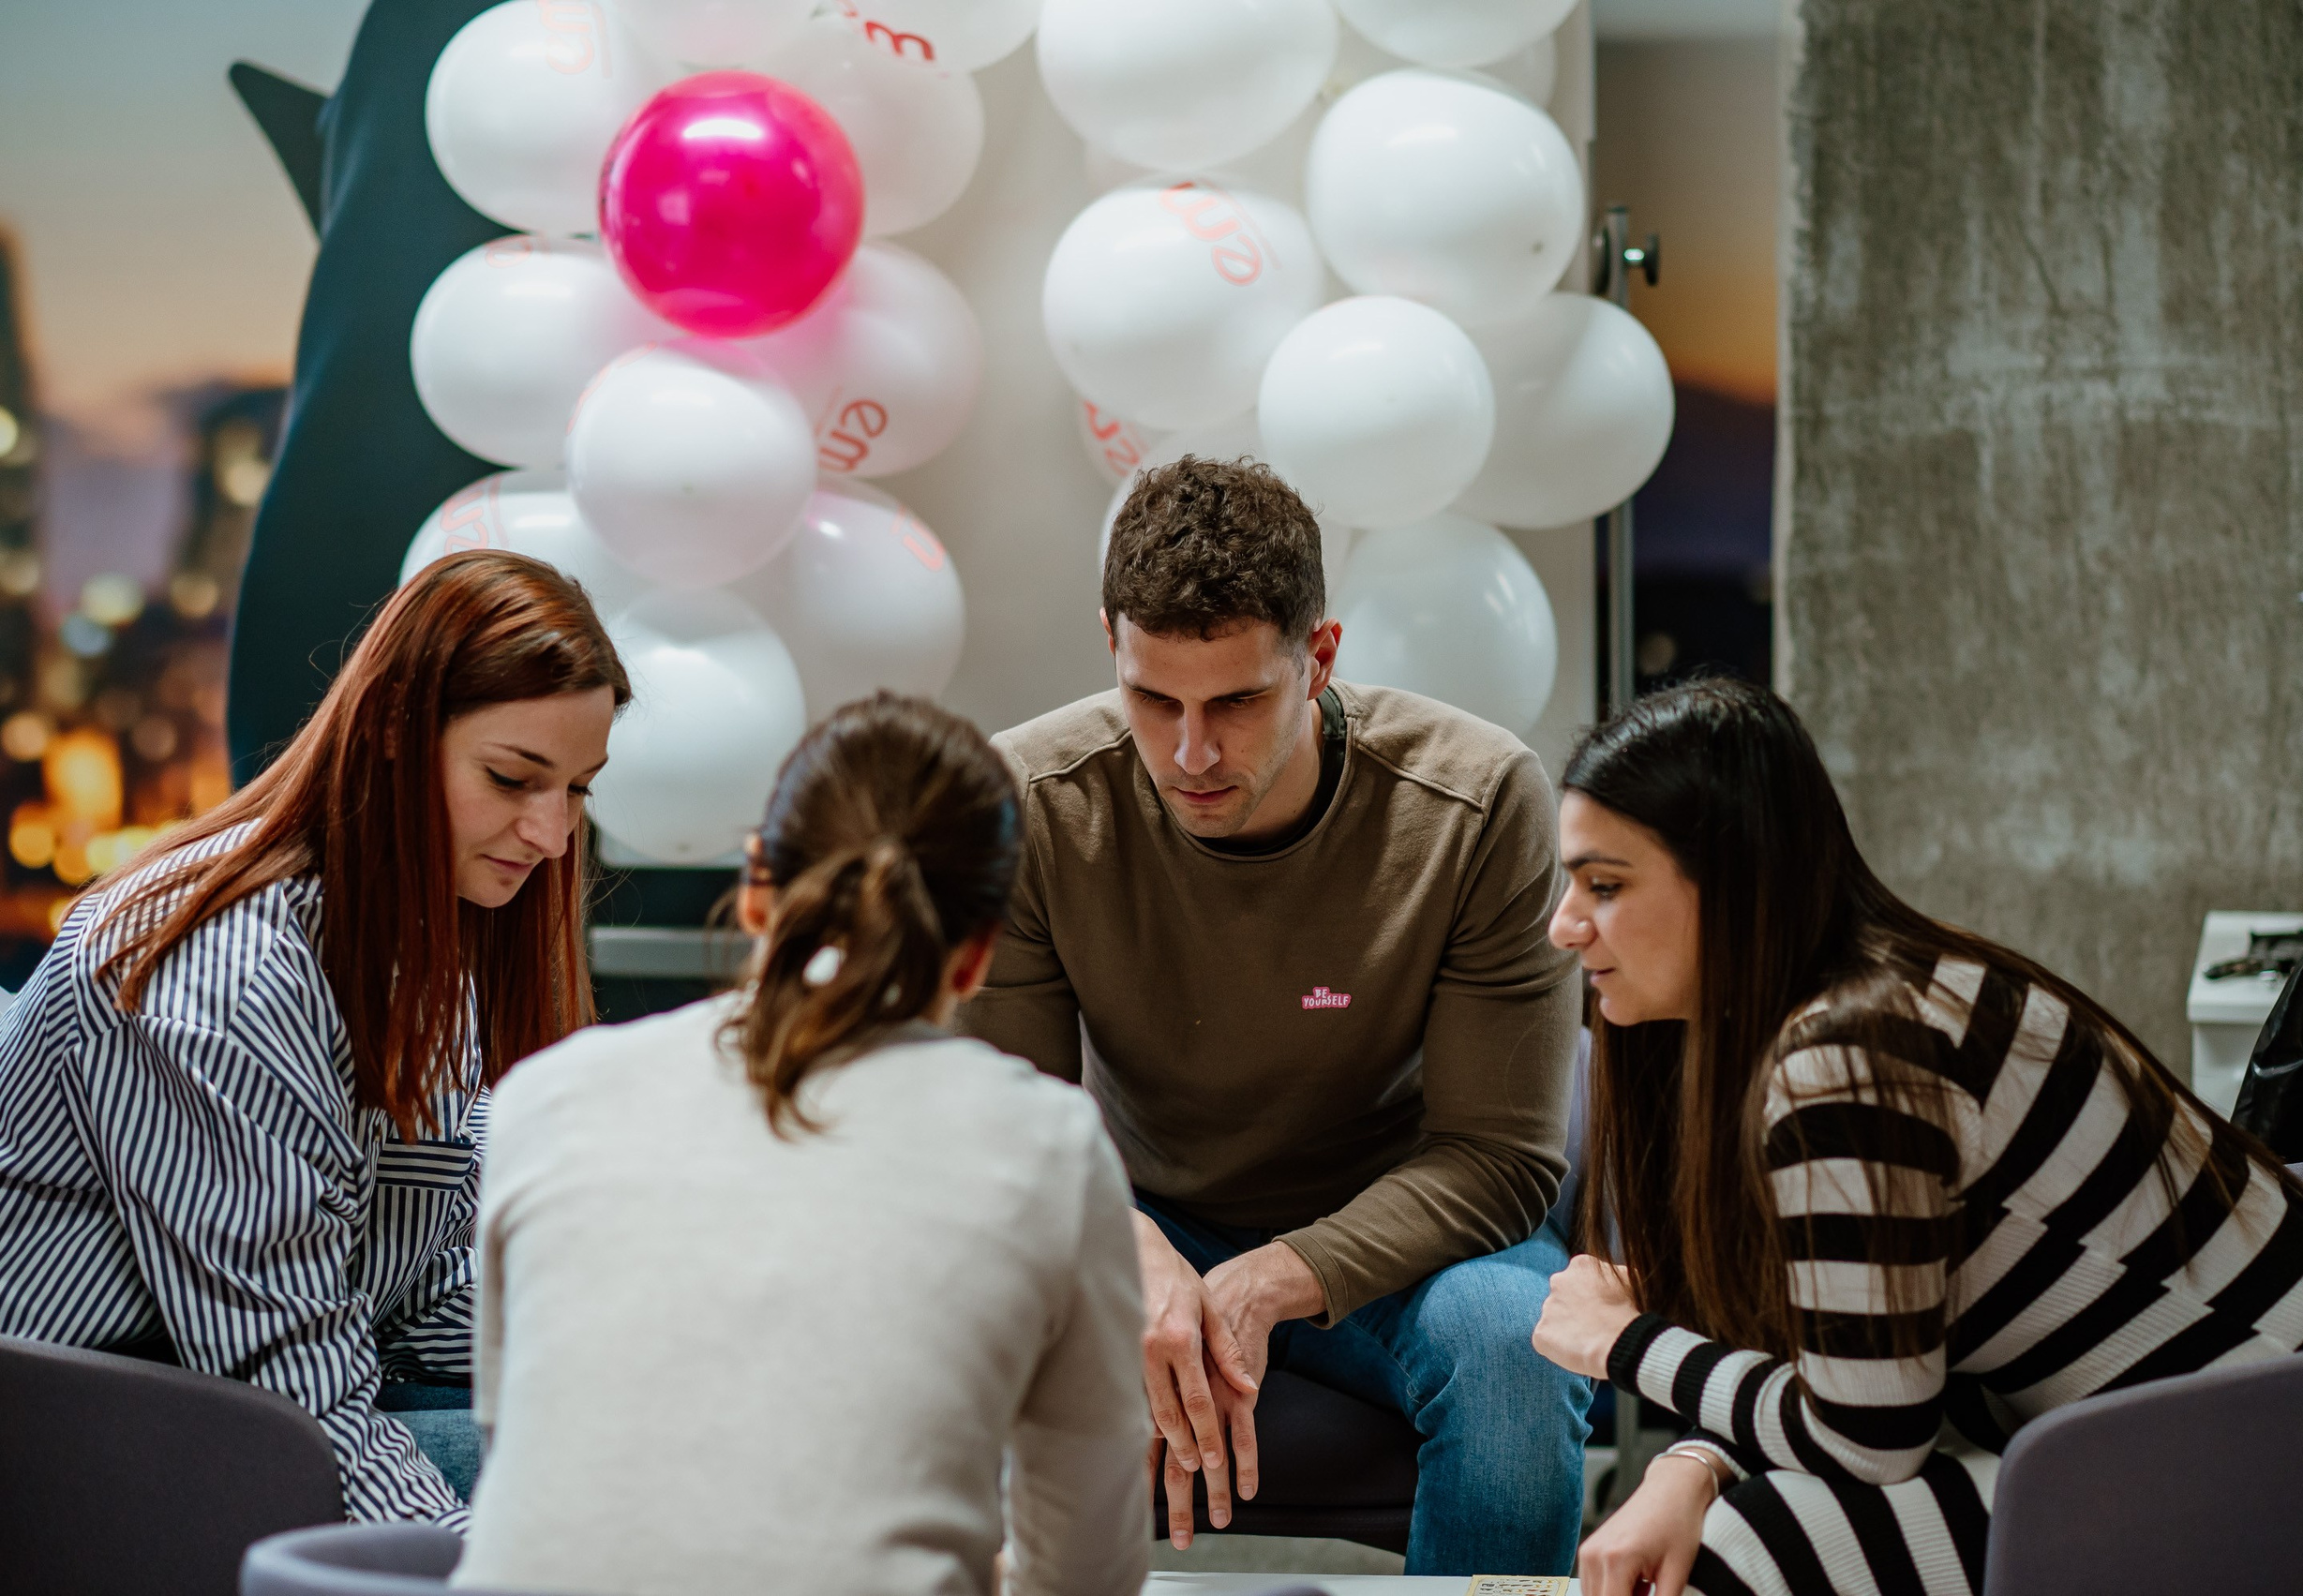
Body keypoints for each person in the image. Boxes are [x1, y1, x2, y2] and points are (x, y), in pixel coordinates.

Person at [1531, 677, 2303, 1596]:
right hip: (2254, 1434)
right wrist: (1690, 1462)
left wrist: (1625, 1342)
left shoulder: (1844, 1060)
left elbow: (1864, 1438)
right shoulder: (1867, 1000)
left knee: (1745, 1545)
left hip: (2290, 1467)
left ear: (1733, 880)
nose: (1563, 925)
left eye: (1606, 883)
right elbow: (1856, 1354)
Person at [961, 455, 1592, 1575]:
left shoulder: (1481, 798)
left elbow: (1499, 1158)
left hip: (1408, 1239)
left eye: (1237, 702)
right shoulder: (1030, 800)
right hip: (1146, 1215)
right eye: (1153, 700)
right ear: (1110, 643)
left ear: (1321, 657)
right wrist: (1136, 1249)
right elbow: (1010, 1126)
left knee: (1510, 1347)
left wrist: (1268, 1277)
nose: (1191, 753)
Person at [456, 694, 1150, 1596]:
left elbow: (531, 1459)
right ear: (977, 954)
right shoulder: (1051, 1147)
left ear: (753, 886)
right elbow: (1085, 1572)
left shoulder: (542, 1099)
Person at [0, 550, 627, 1526]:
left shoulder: (422, 934)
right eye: (513, 778)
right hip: (90, 1436)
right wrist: (467, 1570)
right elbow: (293, 1385)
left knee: (649, 1431)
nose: (551, 833)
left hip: (248, 1390)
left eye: (579, 788)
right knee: (617, 1497)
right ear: (388, 730)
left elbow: (414, 1289)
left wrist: (642, 1351)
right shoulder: (217, 977)